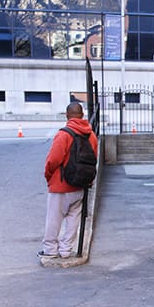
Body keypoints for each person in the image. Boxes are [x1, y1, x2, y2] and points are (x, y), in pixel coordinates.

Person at [39, 102, 98, 259]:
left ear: (67, 115)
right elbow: (94, 159)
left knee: (54, 218)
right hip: (80, 184)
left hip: (61, 185)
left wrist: (48, 176)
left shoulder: (64, 134)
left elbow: (53, 160)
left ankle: (50, 249)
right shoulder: (91, 136)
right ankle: (66, 250)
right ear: (82, 115)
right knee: (73, 218)